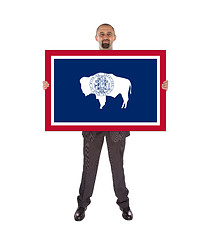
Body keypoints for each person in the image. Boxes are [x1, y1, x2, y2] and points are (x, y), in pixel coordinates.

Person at [43, 23, 168, 221]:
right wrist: (50, 86)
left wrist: (160, 86)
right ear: (96, 38)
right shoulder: (82, 62)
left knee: (117, 165)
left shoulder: (129, 62)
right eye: (102, 34)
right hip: (92, 125)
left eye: (108, 33)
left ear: (115, 37)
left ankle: (124, 204)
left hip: (117, 125)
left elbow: (146, 81)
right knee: (89, 165)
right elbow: (67, 84)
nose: (105, 36)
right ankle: (82, 205)